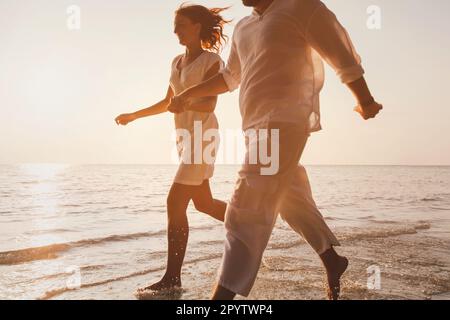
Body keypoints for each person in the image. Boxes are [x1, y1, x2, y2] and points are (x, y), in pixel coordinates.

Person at [168, 0, 383, 300]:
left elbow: (340, 52)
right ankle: (332, 260)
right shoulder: (245, 27)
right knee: (290, 200)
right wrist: (188, 93)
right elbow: (230, 77)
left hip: (285, 122)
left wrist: (365, 99)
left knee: (244, 207)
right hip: (253, 128)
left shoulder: (301, 8)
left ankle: (219, 302)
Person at [115, 3, 230, 295]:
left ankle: (171, 278)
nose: (175, 30)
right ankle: (251, 224)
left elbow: (210, 103)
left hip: (203, 136)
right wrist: (134, 115)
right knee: (203, 203)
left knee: (174, 202)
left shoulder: (211, 61)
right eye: (175, 25)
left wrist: (187, 102)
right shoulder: (176, 62)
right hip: (183, 138)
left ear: (197, 27)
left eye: (181, 24)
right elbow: (167, 102)